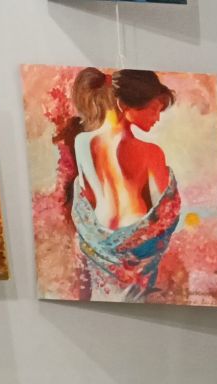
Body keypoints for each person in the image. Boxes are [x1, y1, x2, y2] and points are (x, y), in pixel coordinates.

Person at [69, 67, 180, 300]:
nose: (157, 118)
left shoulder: (81, 143)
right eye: (153, 109)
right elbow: (165, 212)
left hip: (97, 243)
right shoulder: (151, 153)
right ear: (124, 105)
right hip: (139, 248)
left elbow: (88, 198)